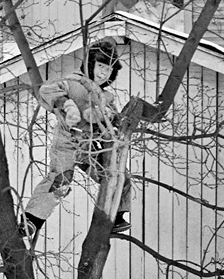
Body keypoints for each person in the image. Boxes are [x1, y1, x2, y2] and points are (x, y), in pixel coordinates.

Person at [22, 41, 149, 242]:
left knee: (117, 174)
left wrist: (106, 116)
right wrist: (66, 104)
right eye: (101, 66)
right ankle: (31, 220)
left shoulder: (105, 96)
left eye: (108, 70)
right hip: (67, 141)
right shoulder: (72, 82)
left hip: (89, 146)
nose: (104, 73)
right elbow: (46, 91)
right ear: (91, 64)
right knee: (61, 180)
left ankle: (117, 216)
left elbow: (113, 121)